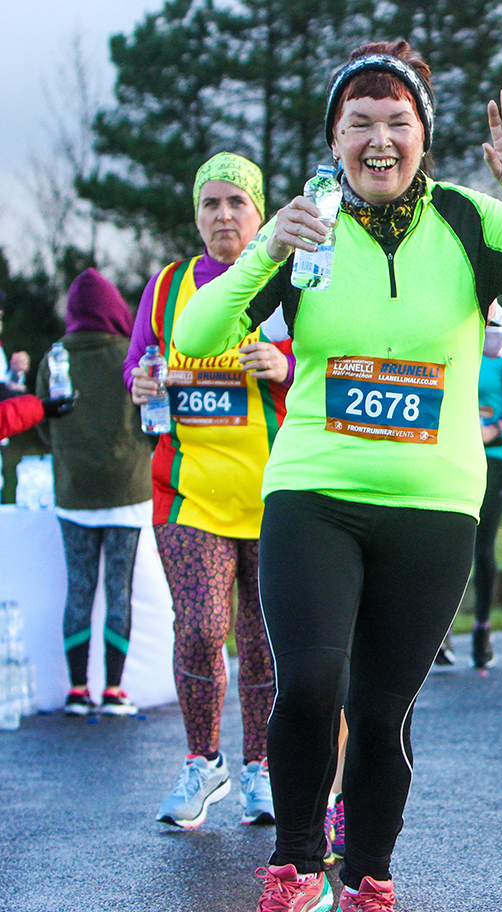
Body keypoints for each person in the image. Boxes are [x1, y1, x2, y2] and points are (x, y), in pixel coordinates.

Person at [172, 41, 502, 911]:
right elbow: (195, 336)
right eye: (359, 124)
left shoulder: (466, 220)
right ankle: (295, 864)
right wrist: (265, 246)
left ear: (424, 135)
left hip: (433, 505)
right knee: (310, 683)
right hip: (313, 495)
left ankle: (369, 871)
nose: (379, 140)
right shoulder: (306, 225)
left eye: (396, 123)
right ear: (334, 139)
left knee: (381, 711)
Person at [126, 151, 292, 829]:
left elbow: (328, 369)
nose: (224, 215)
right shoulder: (167, 286)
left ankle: (260, 769)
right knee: (199, 627)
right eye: (210, 204)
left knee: (261, 642)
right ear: (197, 214)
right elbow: (141, 366)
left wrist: (283, 364)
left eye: (237, 203)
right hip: (187, 490)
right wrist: (138, 384)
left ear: (260, 212)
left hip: (276, 490)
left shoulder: (288, 282)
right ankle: (203, 763)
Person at [35, 269, 152, 716]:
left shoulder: (55, 359)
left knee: (79, 589)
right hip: (128, 491)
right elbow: (150, 421)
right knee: (118, 589)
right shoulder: (130, 354)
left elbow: (46, 427)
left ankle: (78, 689)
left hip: (74, 493)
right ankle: (115, 690)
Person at [451, 337, 502, 669]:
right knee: (446, 542)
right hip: (454, 455)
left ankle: (481, 628)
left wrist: (496, 427)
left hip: (494, 458)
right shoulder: (456, 342)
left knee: (481, 545)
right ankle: (440, 634)